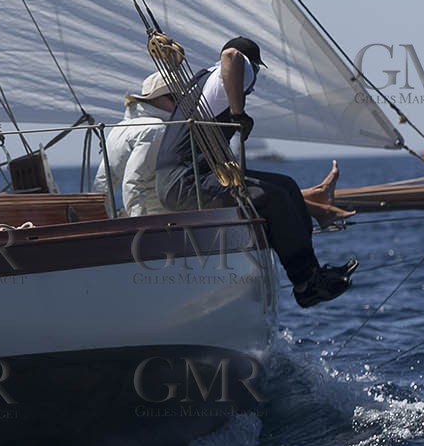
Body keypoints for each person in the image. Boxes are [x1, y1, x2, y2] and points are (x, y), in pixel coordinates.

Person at [154, 37, 357, 308]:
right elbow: (231, 56)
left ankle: (312, 273)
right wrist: (238, 114)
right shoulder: (240, 71)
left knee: (286, 186)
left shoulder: (204, 82)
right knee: (275, 197)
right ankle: (305, 285)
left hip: (180, 180)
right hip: (185, 184)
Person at [94, 72, 176, 217]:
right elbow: (134, 180)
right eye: (173, 98)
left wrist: (101, 217)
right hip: (162, 218)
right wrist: (139, 223)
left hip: (148, 218)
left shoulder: (118, 128)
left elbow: (104, 182)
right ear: (154, 99)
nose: (179, 103)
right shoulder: (156, 129)